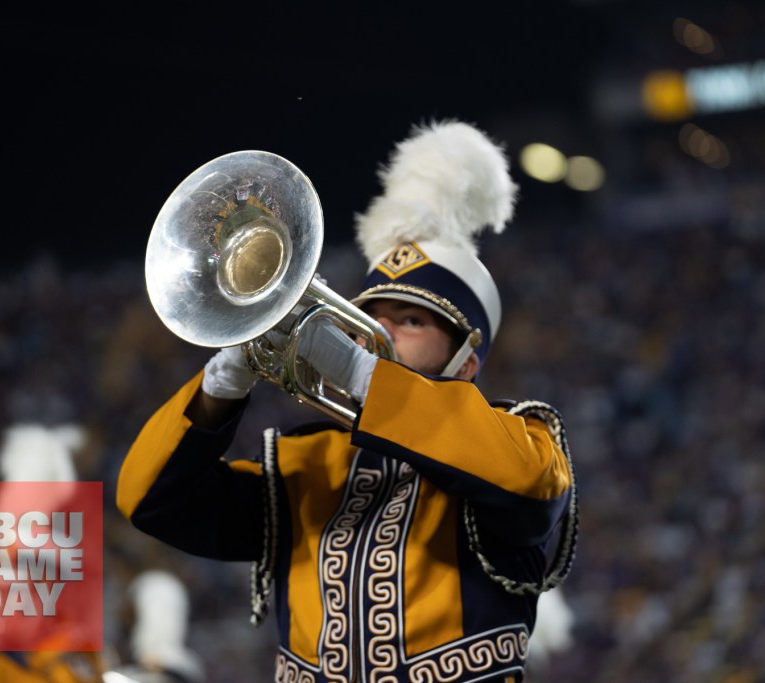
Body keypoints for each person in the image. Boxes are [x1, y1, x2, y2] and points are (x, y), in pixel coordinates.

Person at [117, 120, 578, 682]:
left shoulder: (522, 438)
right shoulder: (301, 463)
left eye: (410, 321)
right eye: (374, 317)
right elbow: (149, 500)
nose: (374, 331)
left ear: (467, 361)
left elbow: (526, 482)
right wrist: (222, 379)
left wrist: (362, 374)